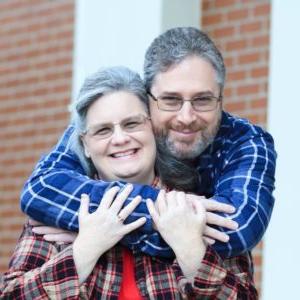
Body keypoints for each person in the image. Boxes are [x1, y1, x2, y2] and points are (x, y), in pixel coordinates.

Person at [1, 67, 257, 299]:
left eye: (132, 123)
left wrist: (190, 249)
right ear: (85, 146)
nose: (120, 139)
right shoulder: (56, 210)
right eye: (103, 130)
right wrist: (84, 250)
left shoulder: (197, 206)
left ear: (153, 129)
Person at [20, 27, 276, 258]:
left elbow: (237, 231)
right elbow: (40, 189)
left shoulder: (246, 142)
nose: (186, 117)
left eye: (202, 100)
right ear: (147, 98)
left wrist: (108, 234)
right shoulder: (109, 129)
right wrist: (168, 219)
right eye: (171, 100)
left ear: (220, 99)